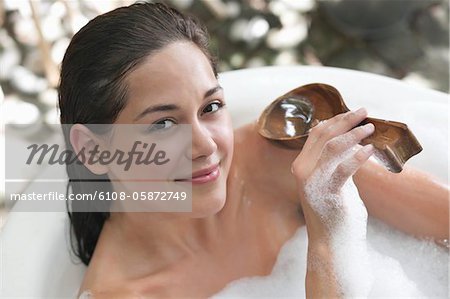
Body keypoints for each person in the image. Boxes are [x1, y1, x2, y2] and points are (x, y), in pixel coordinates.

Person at [58, 2, 449, 298]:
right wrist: (329, 238)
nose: (206, 146)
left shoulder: (274, 156)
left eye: (210, 107)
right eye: (162, 124)